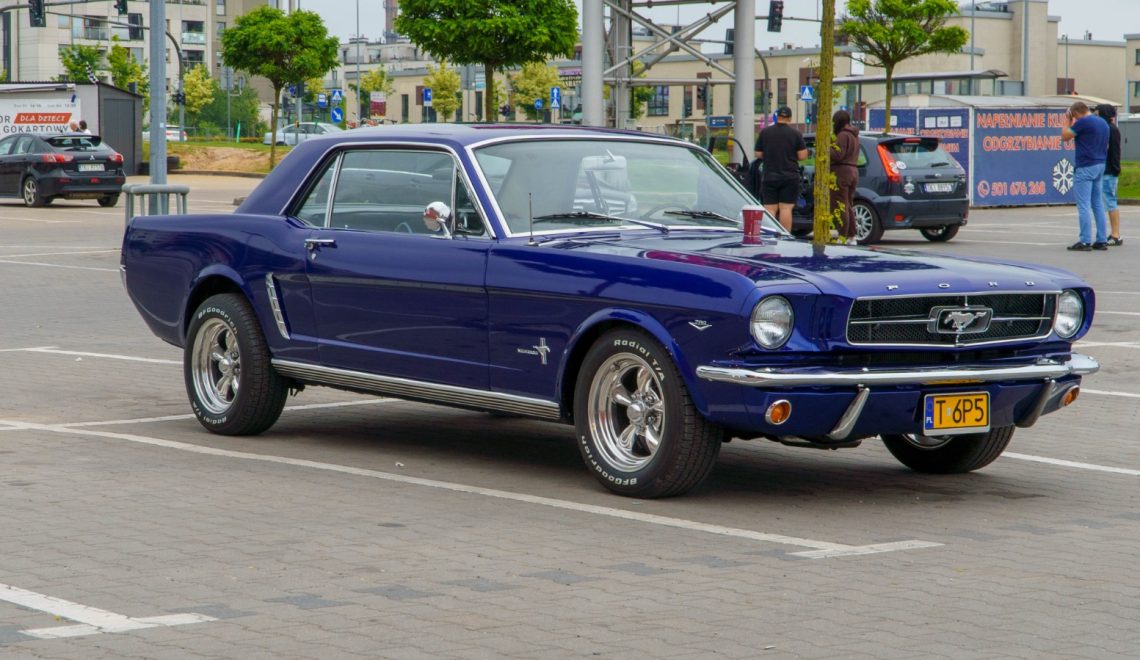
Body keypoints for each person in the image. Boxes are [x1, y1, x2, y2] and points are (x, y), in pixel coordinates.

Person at [1060, 101, 1109, 251]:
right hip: (1100, 164)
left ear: (1075, 113)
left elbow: (1065, 136)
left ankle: (1085, 240)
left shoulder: (1083, 122)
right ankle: (1101, 239)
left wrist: (1067, 121)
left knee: (1084, 205)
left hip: (1086, 165)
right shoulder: (1102, 122)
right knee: (1098, 204)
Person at [754, 106, 808, 232]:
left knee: (770, 209)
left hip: (769, 175)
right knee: (786, 208)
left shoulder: (765, 132)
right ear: (789, 118)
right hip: (789, 176)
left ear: (777, 117)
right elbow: (802, 155)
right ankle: (785, 237)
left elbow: (757, 153)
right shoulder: (795, 134)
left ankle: (768, 235)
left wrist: (770, 154)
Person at [829, 110, 860, 245]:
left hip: (841, 171)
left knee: (840, 204)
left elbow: (838, 155)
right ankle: (852, 235)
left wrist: (827, 147)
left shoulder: (842, 135)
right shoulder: (854, 135)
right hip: (853, 170)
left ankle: (843, 235)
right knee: (848, 204)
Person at [1096, 103, 1123, 246]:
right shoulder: (1108, 128)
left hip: (1109, 171)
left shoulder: (1110, 129)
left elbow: (1114, 152)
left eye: (1097, 113)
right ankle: (1114, 233)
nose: (1095, 116)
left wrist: (1114, 169)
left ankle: (1116, 234)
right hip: (1107, 170)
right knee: (1108, 201)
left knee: (1110, 201)